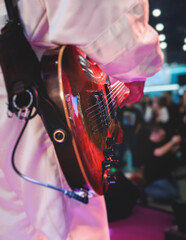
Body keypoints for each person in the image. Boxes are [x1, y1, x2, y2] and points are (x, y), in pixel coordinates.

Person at [0, 0, 163, 239]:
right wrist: (144, 65)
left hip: (18, 102)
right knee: (66, 224)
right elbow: (109, 30)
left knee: (15, 221)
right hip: (48, 111)